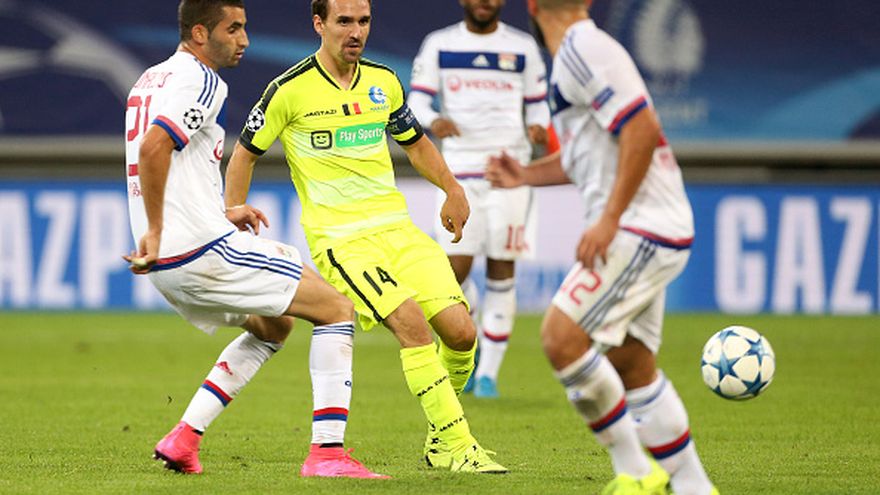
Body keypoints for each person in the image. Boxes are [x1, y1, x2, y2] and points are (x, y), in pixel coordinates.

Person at [225, 0, 506, 474]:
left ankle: (441, 437)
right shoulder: (288, 90)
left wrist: (453, 188)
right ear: (319, 24)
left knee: (462, 334)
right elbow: (244, 154)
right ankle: (459, 444)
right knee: (411, 322)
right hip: (342, 241)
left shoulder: (384, 82)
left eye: (363, 21)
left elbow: (416, 143)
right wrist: (233, 211)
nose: (355, 32)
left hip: (398, 229)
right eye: (344, 21)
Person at [123, 0, 386, 479]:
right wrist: (157, 232)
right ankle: (327, 454)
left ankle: (184, 438)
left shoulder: (150, 79)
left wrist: (219, 213)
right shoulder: (203, 80)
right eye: (234, 29)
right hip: (198, 249)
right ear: (200, 33)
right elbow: (154, 148)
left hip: (169, 261)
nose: (244, 40)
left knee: (274, 325)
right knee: (336, 309)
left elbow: (178, 164)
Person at [486, 0, 719, 493]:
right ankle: (695, 487)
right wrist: (525, 174)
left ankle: (635, 473)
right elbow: (586, 155)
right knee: (632, 364)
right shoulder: (577, 55)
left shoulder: (583, 47)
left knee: (561, 338)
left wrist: (610, 219)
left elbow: (642, 129)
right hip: (652, 225)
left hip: (642, 225)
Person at [407, 0, 551, 399]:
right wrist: (434, 120)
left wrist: (538, 126)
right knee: (453, 271)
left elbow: (539, 103)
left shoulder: (522, 47)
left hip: (509, 172)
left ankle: (487, 375)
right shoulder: (439, 44)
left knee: (502, 268)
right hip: (458, 174)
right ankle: (472, 344)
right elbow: (417, 102)